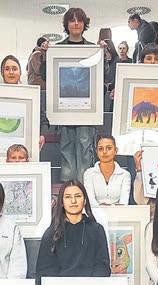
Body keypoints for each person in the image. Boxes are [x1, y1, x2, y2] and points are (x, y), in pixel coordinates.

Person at [40, 8, 98, 182]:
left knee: (85, 144)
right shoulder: (57, 49)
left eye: (79, 20)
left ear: (84, 24)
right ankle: (68, 187)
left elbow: (101, 76)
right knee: (66, 146)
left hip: (87, 109)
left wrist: (105, 55)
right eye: (72, 20)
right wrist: (46, 55)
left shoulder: (93, 49)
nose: (76, 23)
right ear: (66, 24)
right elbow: (45, 75)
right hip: (63, 108)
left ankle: (85, 187)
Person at [36, 180, 111, 279]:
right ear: (62, 202)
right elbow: (44, 271)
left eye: (78, 196)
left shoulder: (97, 230)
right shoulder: (51, 233)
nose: (73, 201)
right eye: (68, 197)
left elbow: (102, 266)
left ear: (85, 200)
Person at [83, 135, 130, 206]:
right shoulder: (89, 173)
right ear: (96, 152)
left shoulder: (125, 174)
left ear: (116, 151)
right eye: (100, 149)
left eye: (109, 148)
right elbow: (90, 201)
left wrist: (110, 208)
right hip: (94, 212)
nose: (104, 152)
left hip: (118, 212)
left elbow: (124, 202)